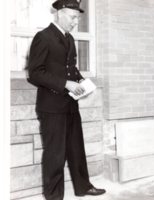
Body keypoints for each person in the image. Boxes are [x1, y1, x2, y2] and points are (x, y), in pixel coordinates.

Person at [27, 0, 106, 199]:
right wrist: (65, 83)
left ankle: (83, 187)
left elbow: (70, 68)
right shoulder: (43, 37)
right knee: (55, 154)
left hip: (70, 104)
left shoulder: (69, 39)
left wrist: (81, 81)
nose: (75, 22)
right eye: (73, 17)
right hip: (51, 107)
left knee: (76, 148)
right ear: (60, 13)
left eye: (77, 18)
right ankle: (54, 196)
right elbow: (35, 73)